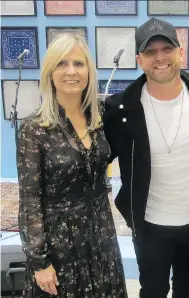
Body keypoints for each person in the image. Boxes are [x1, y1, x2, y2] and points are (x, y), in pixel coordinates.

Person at [103, 18, 189, 298]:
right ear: (139, 59)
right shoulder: (120, 108)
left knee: (187, 291)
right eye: (151, 52)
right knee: (153, 291)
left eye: (166, 48)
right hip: (150, 225)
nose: (160, 58)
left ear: (180, 52)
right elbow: (98, 158)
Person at [17, 33, 127, 297]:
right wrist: (39, 260)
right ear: (50, 72)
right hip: (60, 244)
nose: (71, 72)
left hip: (101, 236)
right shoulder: (35, 129)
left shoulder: (100, 118)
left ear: (88, 70)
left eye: (78, 64)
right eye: (62, 64)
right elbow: (30, 199)